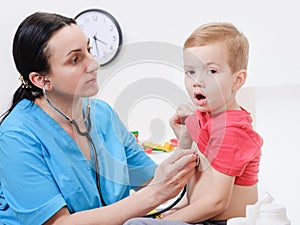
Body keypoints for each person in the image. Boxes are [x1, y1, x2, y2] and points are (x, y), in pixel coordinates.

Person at [0, 12, 198, 225]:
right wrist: (154, 195)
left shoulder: (102, 115)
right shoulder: (16, 137)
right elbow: (59, 223)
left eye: (89, 50)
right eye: (75, 59)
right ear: (41, 79)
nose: (93, 64)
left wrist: (185, 143)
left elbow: (150, 180)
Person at [123, 22, 263, 225]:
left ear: (237, 80)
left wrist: (168, 221)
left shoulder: (231, 130)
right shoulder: (204, 118)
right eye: (190, 71)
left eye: (211, 71)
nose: (197, 81)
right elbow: (196, 181)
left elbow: (217, 202)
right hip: (203, 218)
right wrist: (185, 140)